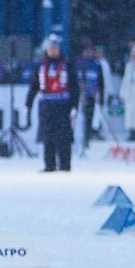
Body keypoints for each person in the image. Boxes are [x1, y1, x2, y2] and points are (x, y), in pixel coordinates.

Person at [32, 34, 78, 172]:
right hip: (46, 105)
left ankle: (65, 165)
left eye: (55, 48)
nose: (53, 51)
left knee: (64, 137)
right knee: (48, 137)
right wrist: (28, 104)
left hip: (63, 105)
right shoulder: (40, 66)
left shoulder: (67, 65)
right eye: (51, 49)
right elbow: (34, 86)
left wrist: (74, 106)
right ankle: (49, 165)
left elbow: (74, 87)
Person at [75, 40, 109, 149]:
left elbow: (101, 82)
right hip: (79, 95)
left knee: (89, 117)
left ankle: (87, 138)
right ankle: (75, 139)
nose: (89, 53)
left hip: (91, 95)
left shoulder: (96, 64)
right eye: (87, 51)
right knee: (78, 117)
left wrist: (101, 97)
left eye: (91, 51)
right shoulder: (77, 63)